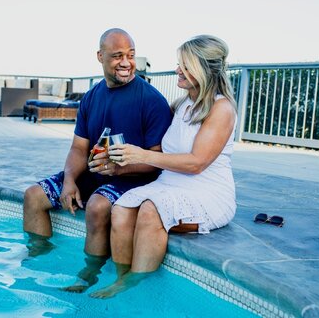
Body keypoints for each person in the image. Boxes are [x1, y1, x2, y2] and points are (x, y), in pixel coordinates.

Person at [22, 28, 172, 293]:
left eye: (131, 55)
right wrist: (69, 180)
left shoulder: (152, 101)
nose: (126, 62)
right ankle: (39, 259)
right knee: (34, 196)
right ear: (100, 56)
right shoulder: (92, 96)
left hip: (135, 177)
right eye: (117, 56)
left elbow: (158, 160)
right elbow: (79, 148)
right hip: (96, 172)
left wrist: (119, 167)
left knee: (97, 206)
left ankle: (88, 274)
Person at [90, 35, 237, 298]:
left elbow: (196, 163)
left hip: (206, 192)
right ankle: (122, 277)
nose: (177, 70)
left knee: (149, 210)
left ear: (203, 70)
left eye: (185, 65)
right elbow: (145, 123)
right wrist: (116, 156)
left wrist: (141, 156)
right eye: (179, 63)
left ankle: (137, 284)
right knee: (122, 209)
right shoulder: (182, 105)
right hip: (169, 184)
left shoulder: (221, 108)